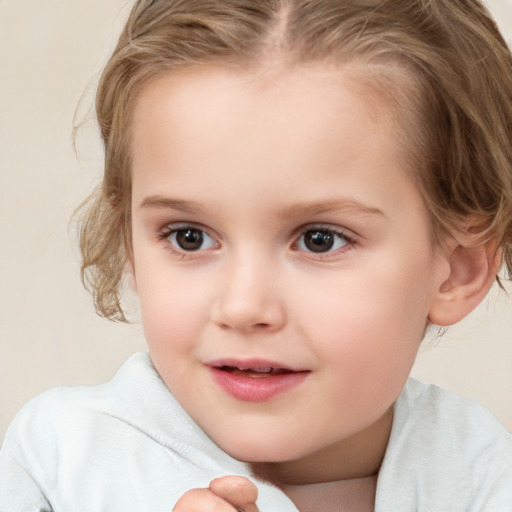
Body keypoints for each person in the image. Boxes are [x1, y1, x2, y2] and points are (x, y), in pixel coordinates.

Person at [1, 0, 512, 510]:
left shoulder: (482, 476)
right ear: (128, 242)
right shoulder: (60, 463)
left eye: (319, 240)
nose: (244, 306)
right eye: (189, 237)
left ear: (457, 269)